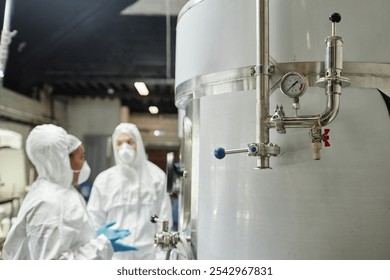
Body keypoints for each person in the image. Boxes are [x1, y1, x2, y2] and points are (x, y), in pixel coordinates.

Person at [2, 124, 135, 259]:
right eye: (82, 157)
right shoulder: (48, 203)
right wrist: (101, 245)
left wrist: (92, 236)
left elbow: (68, 238)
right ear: (63, 160)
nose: (84, 163)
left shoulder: (61, 190)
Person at [87, 123, 172, 260]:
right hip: (113, 257)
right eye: (119, 143)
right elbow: (93, 220)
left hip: (147, 256)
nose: (124, 147)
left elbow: (164, 220)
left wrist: (161, 259)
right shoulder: (104, 180)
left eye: (129, 142)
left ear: (138, 143)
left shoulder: (156, 177)